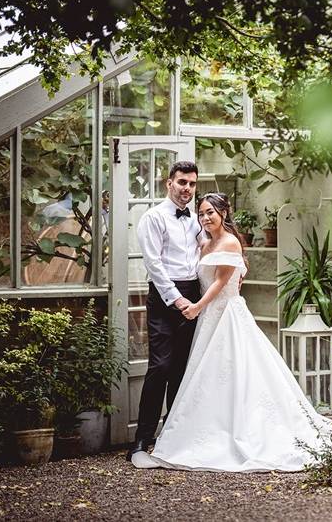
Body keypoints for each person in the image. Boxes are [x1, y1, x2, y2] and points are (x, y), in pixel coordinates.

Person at [131, 192, 332, 471]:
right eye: (202, 213)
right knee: (204, 375)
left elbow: (221, 282)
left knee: (237, 372)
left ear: (224, 212)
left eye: (211, 212)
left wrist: (197, 307)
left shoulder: (231, 242)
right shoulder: (204, 242)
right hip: (209, 318)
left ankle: (244, 430)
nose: (205, 217)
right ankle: (200, 428)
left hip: (226, 315)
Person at [126, 161, 202, 461]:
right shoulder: (153, 217)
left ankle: (171, 439)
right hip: (164, 297)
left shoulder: (197, 220)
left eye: (192, 184)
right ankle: (141, 441)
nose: (187, 189)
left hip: (194, 295)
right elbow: (153, 265)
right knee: (161, 366)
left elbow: (206, 253)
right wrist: (176, 299)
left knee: (182, 370)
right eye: (182, 182)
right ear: (168, 183)